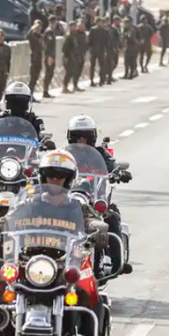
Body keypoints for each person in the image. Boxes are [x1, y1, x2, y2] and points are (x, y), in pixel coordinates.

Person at [0, 150, 110, 336]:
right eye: (50, 175)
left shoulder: (77, 205)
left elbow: (91, 221)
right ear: (43, 177)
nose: (55, 180)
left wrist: (98, 229)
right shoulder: (30, 203)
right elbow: (9, 219)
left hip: (64, 261)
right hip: (30, 259)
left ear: (68, 179)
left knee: (88, 287)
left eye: (59, 175)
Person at [67, 115, 133, 275]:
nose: (82, 140)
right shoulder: (65, 155)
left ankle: (118, 262)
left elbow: (111, 163)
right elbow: (53, 163)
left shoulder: (100, 153)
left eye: (86, 137)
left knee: (112, 217)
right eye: (78, 136)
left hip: (95, 197)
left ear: (92, 137)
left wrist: (119, 171)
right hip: (70, 199)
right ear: (71, 137)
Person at [0, 82, 53, 149]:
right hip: (2, 157)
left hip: (29, 158)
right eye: (14, 102)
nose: (17, 105)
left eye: (21, 102)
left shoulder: (34, 120)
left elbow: (42, 135)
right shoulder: (0, 118)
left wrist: (46, 142)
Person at [26, 21, 44, 99]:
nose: (38, 29)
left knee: (36, 77)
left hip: (39, 58)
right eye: (37, 27)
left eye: (39, 27)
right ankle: (29, 95)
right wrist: (32, 28)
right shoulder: (32, 36)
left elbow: (43, 46)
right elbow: (27, 35)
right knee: (32, 78)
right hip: (34, 58)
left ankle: (31, 94)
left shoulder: (40, 36)